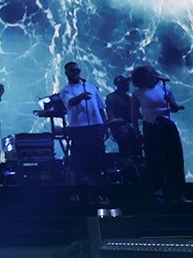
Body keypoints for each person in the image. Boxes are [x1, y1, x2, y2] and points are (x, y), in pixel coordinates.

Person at [130, 65, 190, 203]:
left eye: (153, 73)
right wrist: (136, 132)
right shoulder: (138, 93)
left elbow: (173, 108)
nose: (153, 76)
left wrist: (175, 105)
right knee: (155, 159)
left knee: (175, 157)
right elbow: (134, 113)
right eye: (149, 74)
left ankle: (178, 192)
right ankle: (158, 191)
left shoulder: (165, 88)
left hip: (167, 124)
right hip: (151, 126)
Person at [58, 61, 107, 190]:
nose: (75, 73)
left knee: (97, 157)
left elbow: (101, 108)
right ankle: (82, 188)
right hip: (79, 128)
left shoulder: (91, 87)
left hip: (96, 126)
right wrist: (81, 97)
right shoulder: (65, 91)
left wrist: (105, 125)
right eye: (72, 71)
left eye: (77, 71)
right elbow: (71, 102)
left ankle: (97, 186)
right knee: (81, 159)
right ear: (66, 73)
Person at [105, 74, 141, 159]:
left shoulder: (128, 98)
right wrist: (116, 121)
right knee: (126, 150)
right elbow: (111, 116)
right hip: (120, 129)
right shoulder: (111, 98)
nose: (127, 85)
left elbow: (137, 114)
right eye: (124, 84)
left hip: (129, 127)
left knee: (136, 148)